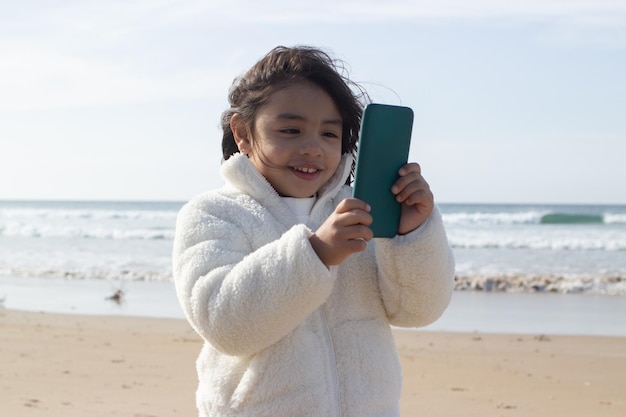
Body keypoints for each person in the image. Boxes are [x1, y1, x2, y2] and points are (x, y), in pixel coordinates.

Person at [172, 45, 455, 417]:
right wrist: (316, 253)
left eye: (328, 134)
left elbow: (418, 311)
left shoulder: (361, 210)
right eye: (290, 130)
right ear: (242, 133)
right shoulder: (214, 214)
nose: (312, 148)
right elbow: (225, 325)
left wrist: (412, 234)